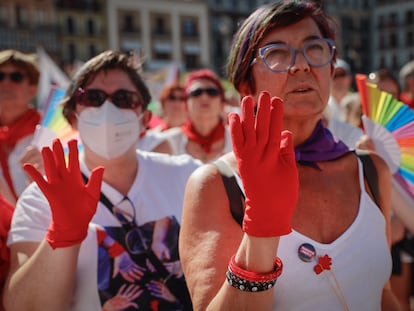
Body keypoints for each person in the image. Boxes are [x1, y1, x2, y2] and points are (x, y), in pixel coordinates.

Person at [178, 1, 400, 310]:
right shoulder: (217, 185)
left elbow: (382, 293)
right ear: (246, 85)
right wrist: (261, 229)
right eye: (277, 54)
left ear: (331, 68)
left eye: (316, 48)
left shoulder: (371, 171)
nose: (301, 65)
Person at [4, 50, 201, 310]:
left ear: (144, 117)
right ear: (73, 116)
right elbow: (23, 306)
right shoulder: (41, 197)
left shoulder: (189, 176)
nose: (107, 108)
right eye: (93, 97)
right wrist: (63, 234)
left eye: (124, 98)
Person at [161, 69, 233, 163]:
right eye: (196, 92)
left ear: (222, 103)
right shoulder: (168, 142)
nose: (204, 97)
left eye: (212, 92)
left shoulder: (238, 140)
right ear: (186, 105)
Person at [0, 49, 43, 200]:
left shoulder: (49, 132)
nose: (6, 83)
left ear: (32, 89)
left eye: (16, 77)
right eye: (0, 76)